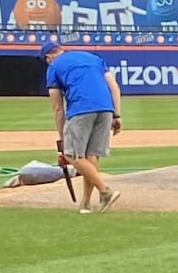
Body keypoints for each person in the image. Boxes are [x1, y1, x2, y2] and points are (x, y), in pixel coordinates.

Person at [41, 37, 122, 211]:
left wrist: (63, 140)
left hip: (81, 109)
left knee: (73, 156)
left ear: (49, 57)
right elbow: (114, 86)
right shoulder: (93, 58)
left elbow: (57, 108)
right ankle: (85, 203)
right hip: (106, 109)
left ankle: (105, 191)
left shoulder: (54, 67)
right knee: (91, 156)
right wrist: (117, 115)